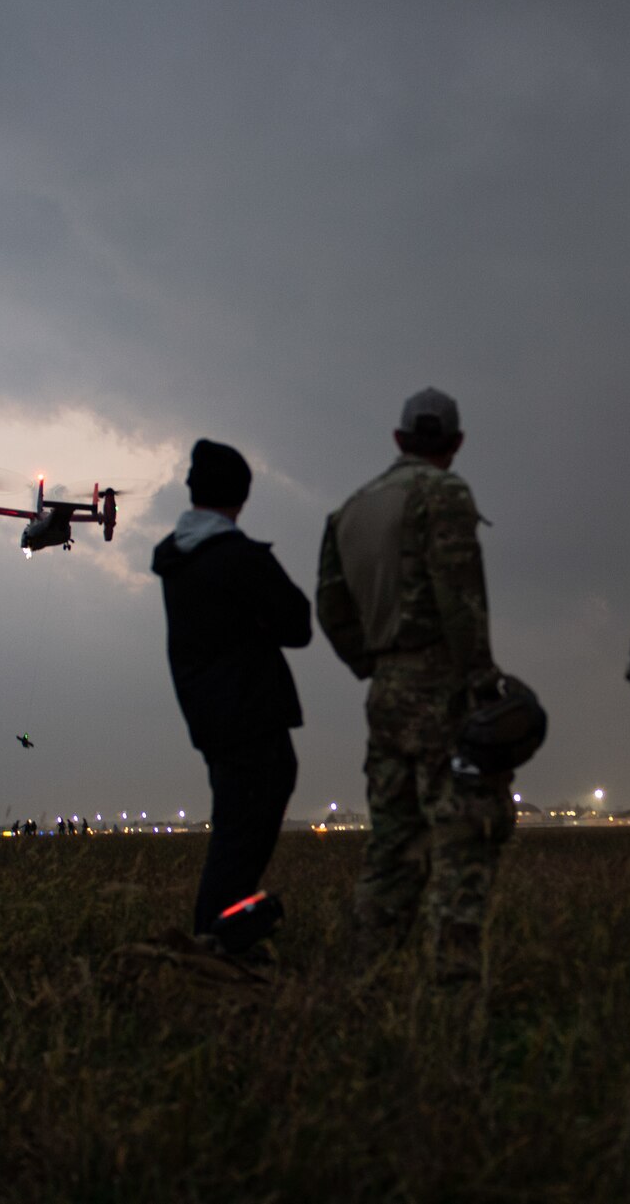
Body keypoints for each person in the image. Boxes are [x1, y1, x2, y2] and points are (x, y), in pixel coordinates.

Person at [316, 388, 510, 987]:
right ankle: (453, 990)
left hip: (387, 690)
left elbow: (330, 607)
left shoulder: (349, 510)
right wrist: (480, 680)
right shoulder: (445, 493)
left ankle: (366, 980)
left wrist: (375, 666)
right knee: (463, 838)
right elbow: (460, 594)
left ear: (399, 441)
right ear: (455, 445)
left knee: (392, 844)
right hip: (442, 684)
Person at [151, 439, 311, 952]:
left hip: (209, 714)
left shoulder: (176, 559)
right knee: (242, 830)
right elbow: (298, 623)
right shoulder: (238, 558)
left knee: (235, 822)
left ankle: (223, 930)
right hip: (252, 710)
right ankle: (214, 940)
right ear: (242, 494)